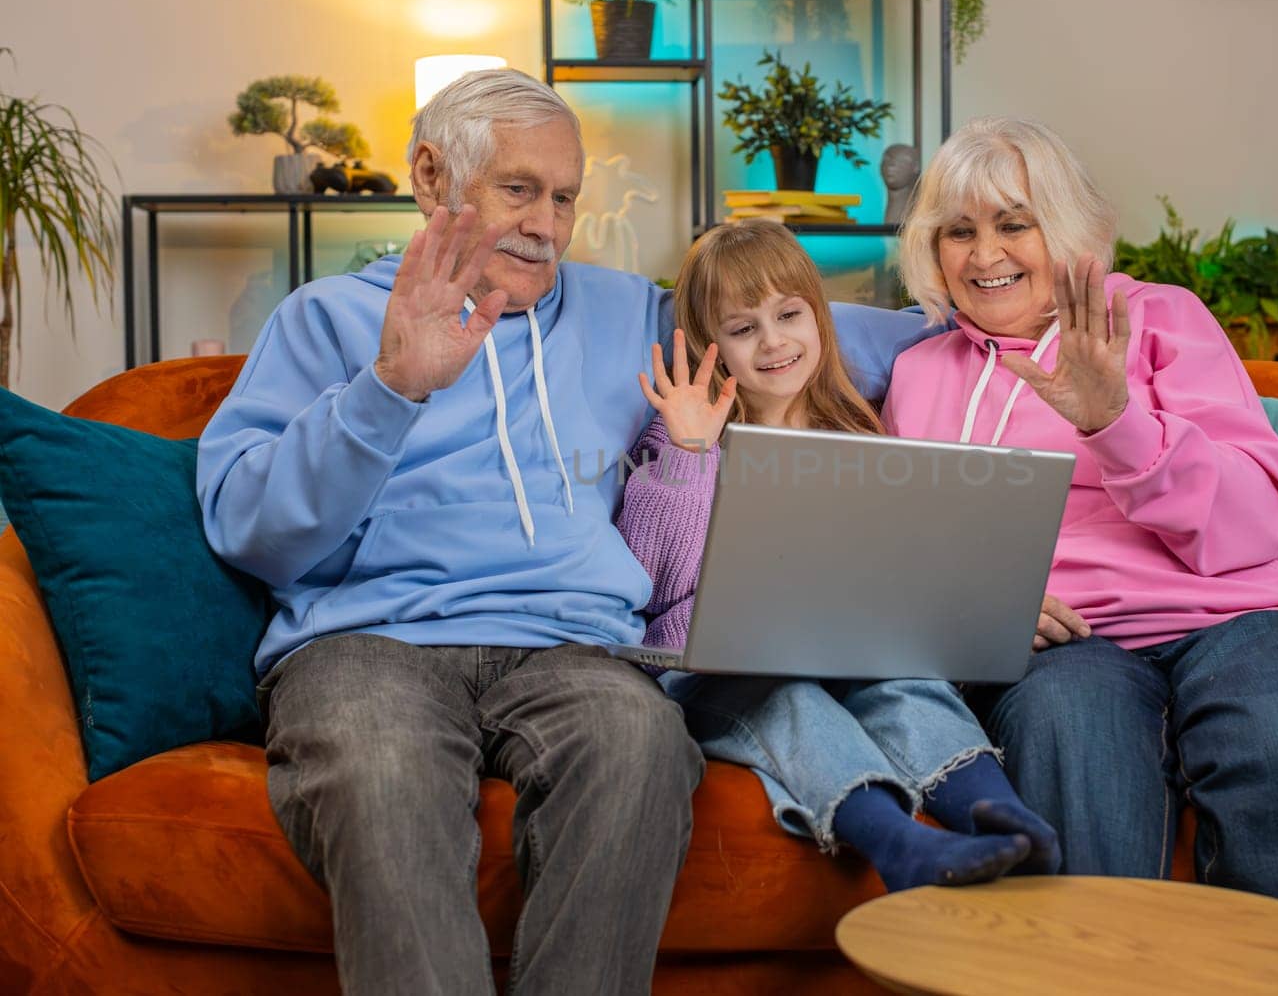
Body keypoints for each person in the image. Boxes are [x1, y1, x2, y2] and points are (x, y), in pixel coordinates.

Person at [196, 69, 936, 996]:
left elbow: (792, 331)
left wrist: (984, 328)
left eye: (565, 198)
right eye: (519, 190)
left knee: (641, 747)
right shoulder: (324, 319)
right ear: (431, 177)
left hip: (578, 648)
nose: (546, 223)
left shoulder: (626, 312)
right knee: (379, 774)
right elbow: (245, 528)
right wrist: (390, 388)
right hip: (367, 641)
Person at [882, 117, 1278, 933]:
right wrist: (981, 602)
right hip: (1068, 644)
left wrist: (1114, 419)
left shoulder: (1157, 319)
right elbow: (909, 548)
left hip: (1246, 613)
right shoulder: (919, 373)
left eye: (1014, 223)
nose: (983, 254)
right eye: (957, 232)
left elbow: (1254, 519)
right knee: (1068, 735)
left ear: (1067, 229)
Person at [617, 219, 1061, 891]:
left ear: (817, 319)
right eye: (743, 329)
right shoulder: (680, 431)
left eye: (789, 315)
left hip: (841, 647)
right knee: (791, 697)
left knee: (906, 683)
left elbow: (894, 567)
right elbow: (652, 578)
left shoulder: (853, 427)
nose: (773, 342)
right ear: (713, 349)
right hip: (707, 673)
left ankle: (1002, 818)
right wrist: (689, 451)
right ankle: (896, 841)